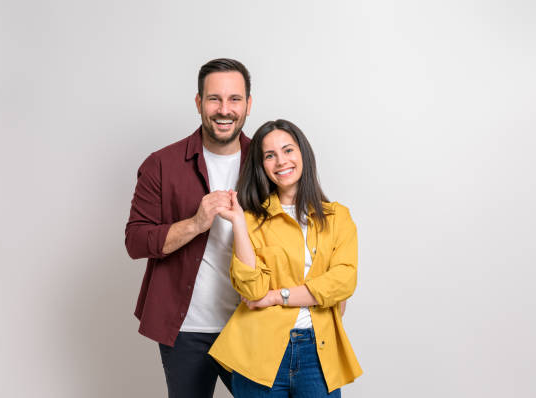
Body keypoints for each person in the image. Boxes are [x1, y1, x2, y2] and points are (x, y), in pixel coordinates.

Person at [125, 58, 253, 398]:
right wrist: (197, 223)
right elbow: (136, 241)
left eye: (234, 99)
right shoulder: (161, 165)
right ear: (199, 103)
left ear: (248, 104)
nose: (224, 109)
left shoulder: (267, 162)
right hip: (185, 331)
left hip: (252, 323)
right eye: (214, 99)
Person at [209, 119, 362, 397]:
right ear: (262, 166)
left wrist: (277, 296)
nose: (281, 161)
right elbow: (253, 290)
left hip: (319, 351)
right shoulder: (252, 220)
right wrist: (239, 224)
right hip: (259, 352)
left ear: (303, 153)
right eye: (270, 155)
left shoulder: (338, 217)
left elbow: (343, 282)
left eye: (288, 150)